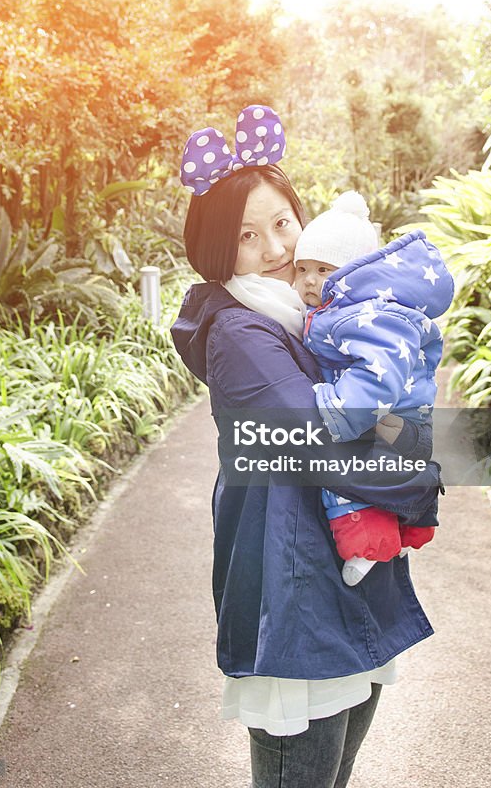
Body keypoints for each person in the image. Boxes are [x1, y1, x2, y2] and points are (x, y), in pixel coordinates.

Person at [170, 105, 444, 788]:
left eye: (282, 222)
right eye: (246, 236)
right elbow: (315, 444)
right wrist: (416, 479)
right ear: (215, 250)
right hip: (291, 587)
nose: (274, 248)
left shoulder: (307, 315)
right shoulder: (240, 331)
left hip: (331, 578)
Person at [291, 190, 454, 586]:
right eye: (302, 269)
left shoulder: (364, 316)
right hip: (396, 421)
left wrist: (335, 407)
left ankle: (369, 546)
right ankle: (408, 528)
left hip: (383, 415)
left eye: (325, 270)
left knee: (350, 475)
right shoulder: (349, 309)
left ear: (352, 274)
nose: (311, 280)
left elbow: (380, 374)